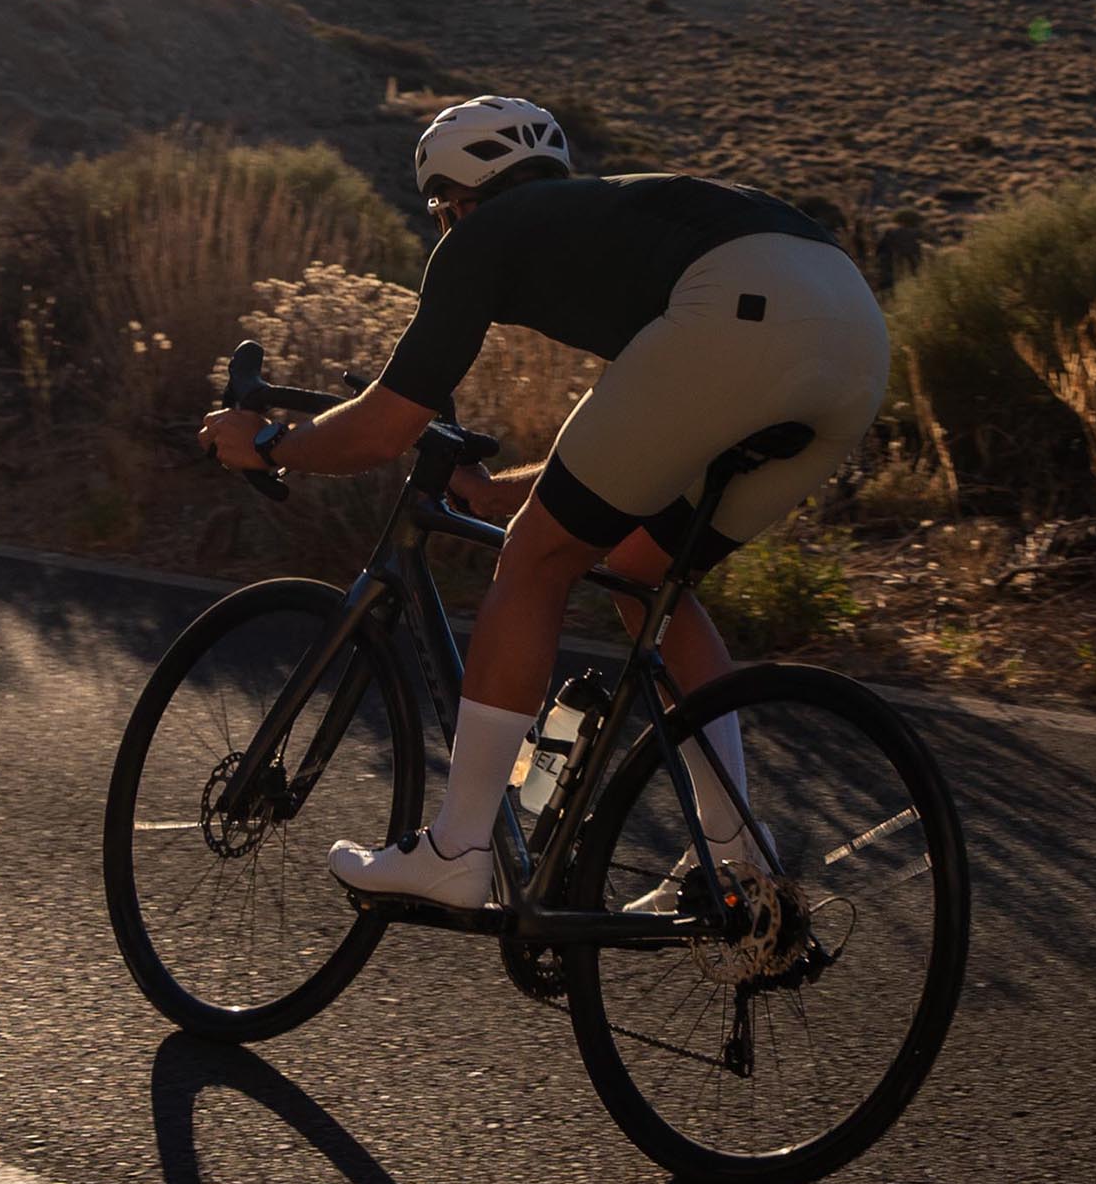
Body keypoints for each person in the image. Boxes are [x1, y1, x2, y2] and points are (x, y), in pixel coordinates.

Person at [196, 95, 889, 912]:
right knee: (643, 572)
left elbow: (383, 428)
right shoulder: (615, 221)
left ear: (458, 199)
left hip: (742, 314)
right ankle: (738, 857)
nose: (446, 226)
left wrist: (268, 442)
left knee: (533, 559)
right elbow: (643, 432)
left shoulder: (485, 232)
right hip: (854, 338)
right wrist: (494, 492)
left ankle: (458, 849)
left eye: (441, 211)